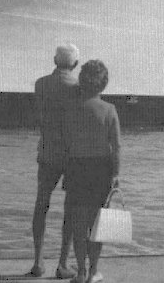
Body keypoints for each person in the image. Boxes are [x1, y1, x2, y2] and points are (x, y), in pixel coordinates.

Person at [64, 60, 120, 283]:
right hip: (101, 170)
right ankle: (93, 271)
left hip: (76, 167)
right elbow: (116, 147)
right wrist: (116, 175)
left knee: (78, 224)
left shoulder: (72, 109)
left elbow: (65, 142)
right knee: (98, 225)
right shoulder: (109, 110)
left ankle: (80, 271)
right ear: (104, 84)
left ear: (81, 81)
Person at [28, 44, 81, 279]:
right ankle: (62, 264)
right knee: (70, 208)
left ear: (54, 60)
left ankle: (38, 262)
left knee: (42, 203)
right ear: (75, 64)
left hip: (47, 150)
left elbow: (39, 114)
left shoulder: (40, 84)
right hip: (71, 154)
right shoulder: (79, 88)